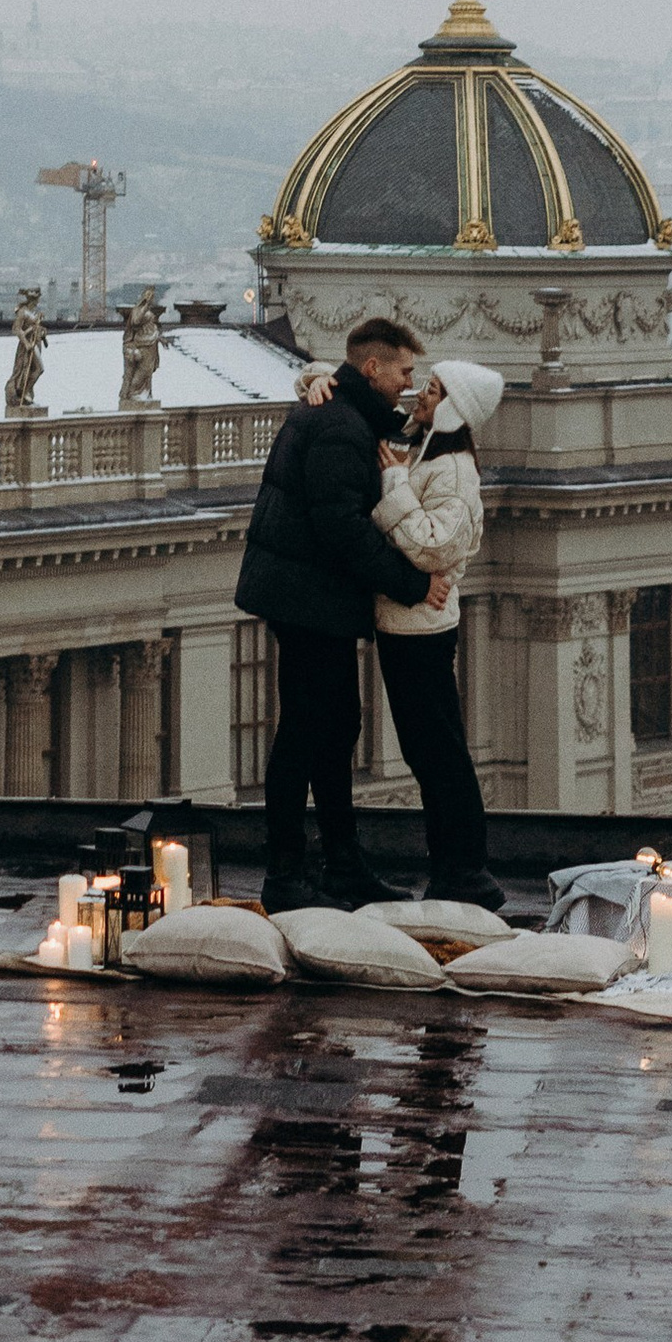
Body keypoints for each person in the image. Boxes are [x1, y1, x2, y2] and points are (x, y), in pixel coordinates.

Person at [234, 315, 436, 911]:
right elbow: (341, 528)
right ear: (372, 368)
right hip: (309, 602)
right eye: (403, 371)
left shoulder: (345, 416)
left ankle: (336, 865)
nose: (407, 383)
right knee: (304, 732)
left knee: (332, 727)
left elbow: (393, 433)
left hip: (309, 599)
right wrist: (411, 582)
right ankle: (289, 873)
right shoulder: (339, 428)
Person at [369, 356, 507, 907]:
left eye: (432, 390)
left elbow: (432, 545)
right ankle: (454, 869)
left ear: (452, 408)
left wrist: (395, 485)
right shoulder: (430, 452)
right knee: (430, 752)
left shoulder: (452, 471)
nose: (420, 396)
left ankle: (465, 871)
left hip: (422, 631)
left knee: (438, 755)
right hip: (409, 624)